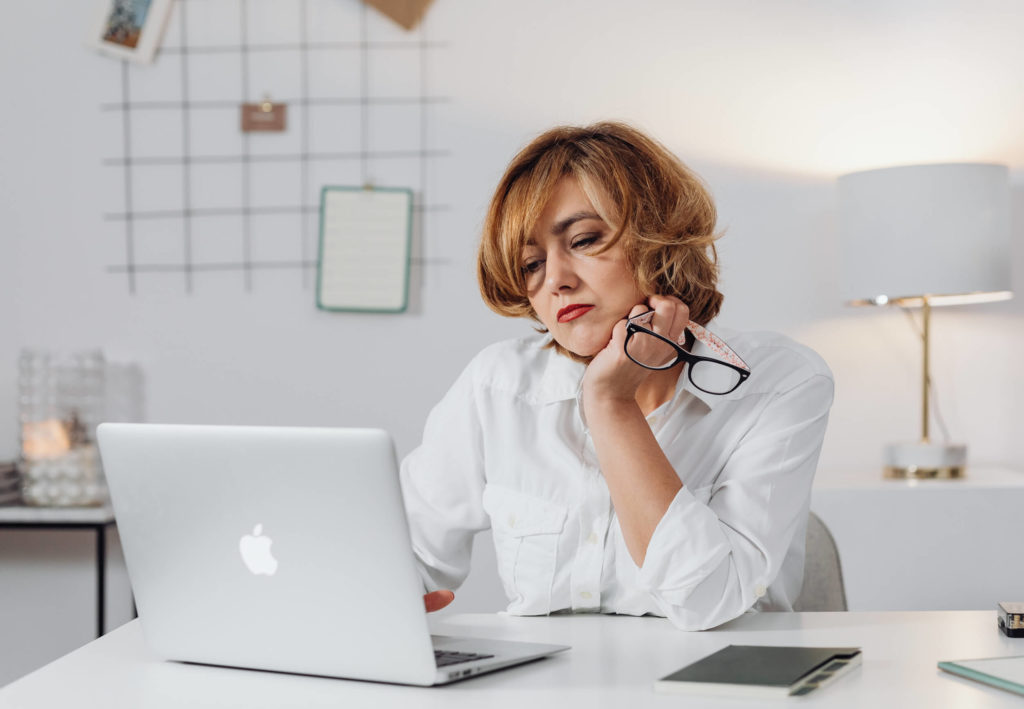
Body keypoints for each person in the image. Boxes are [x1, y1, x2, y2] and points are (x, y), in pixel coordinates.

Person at [402, 122, 834, 630]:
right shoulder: (498, 385)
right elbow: (409, 555)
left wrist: (611, 404)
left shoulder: (778, 383)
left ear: (661, 238)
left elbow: (707, 602)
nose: (557, 281)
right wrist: (381, 592)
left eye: (583, 240)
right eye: (532, 264)